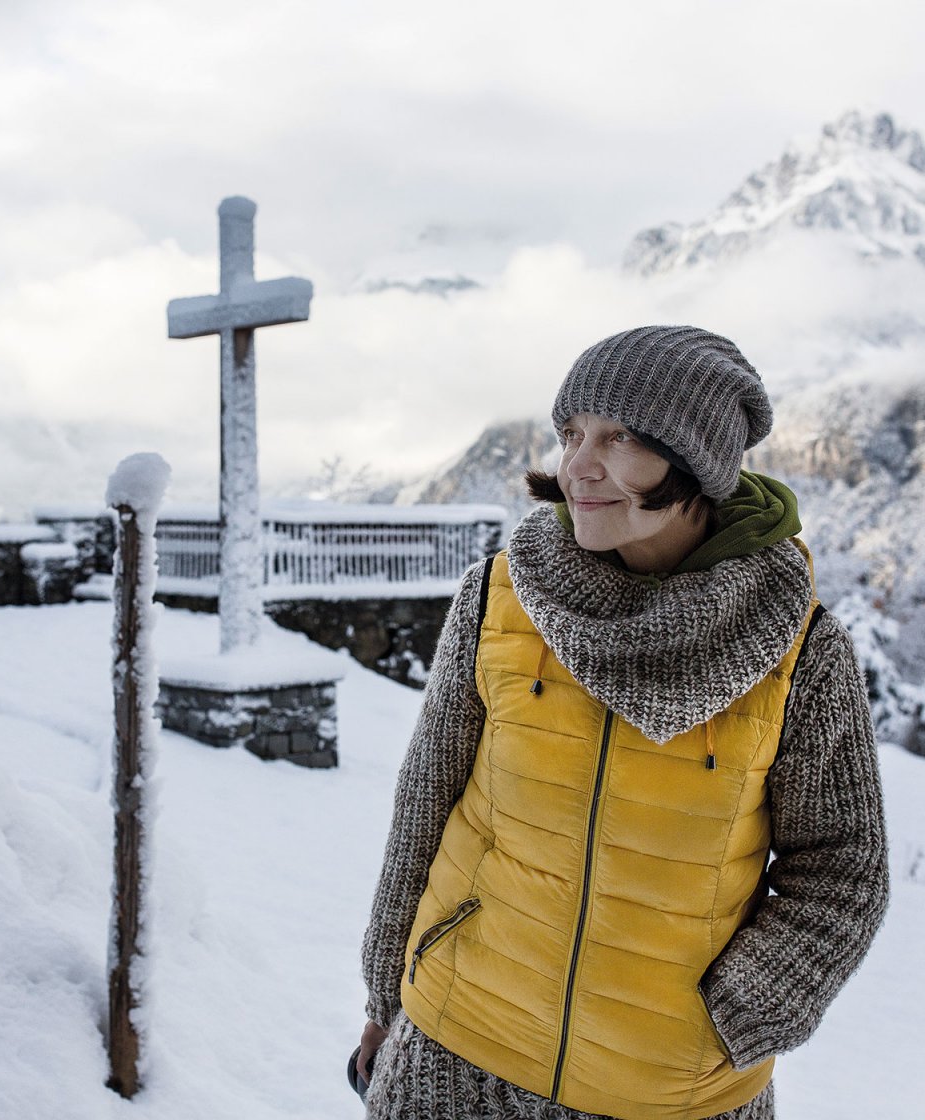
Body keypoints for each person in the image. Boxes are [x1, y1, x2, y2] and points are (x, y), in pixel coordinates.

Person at [355, 326, 889, 1119]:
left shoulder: (800, 650)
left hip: (669, 1093)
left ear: (697, 463)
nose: (578, 465)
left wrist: (734, 1016)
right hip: (454, 1047)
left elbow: (843, 865)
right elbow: (427, 803)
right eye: (571, 434)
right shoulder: (500, 599)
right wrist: (385, 990)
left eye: (621, 438)